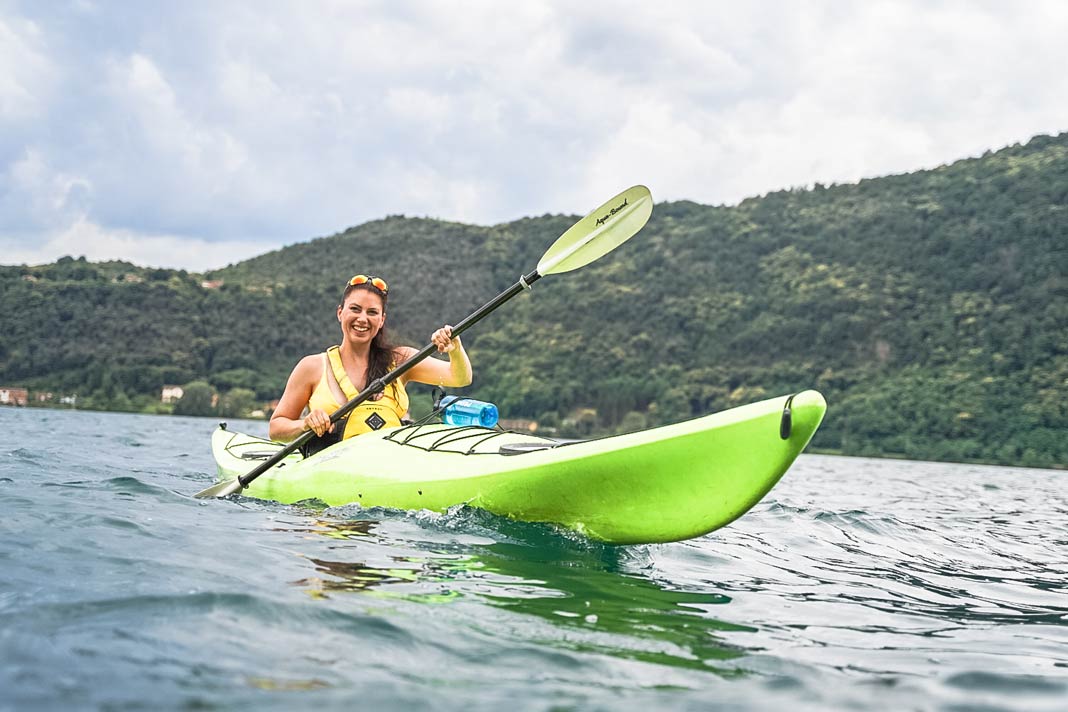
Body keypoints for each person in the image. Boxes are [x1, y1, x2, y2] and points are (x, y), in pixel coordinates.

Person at [269, 274, 472, 455]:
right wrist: (305, 424)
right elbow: (276, 429)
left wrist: (455, 348)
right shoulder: (312, 367)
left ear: (382, 320)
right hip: (329, 473)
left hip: (388, 470)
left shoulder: (400, 360)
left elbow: (460, 378)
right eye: (355, 309)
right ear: (340, 313)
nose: (362, 319)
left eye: (372, 312)